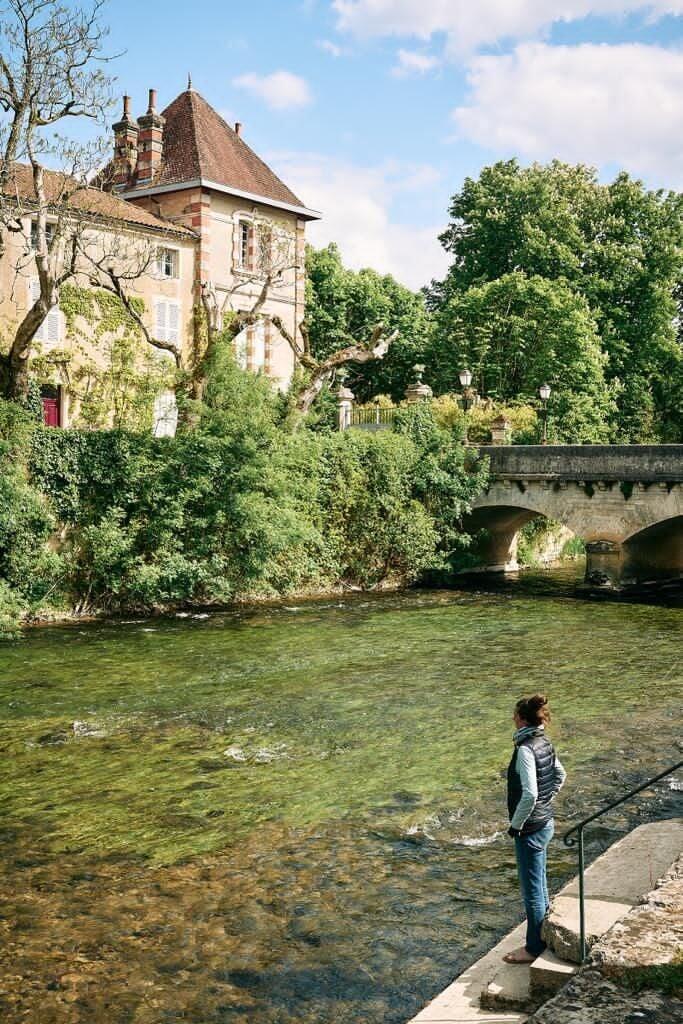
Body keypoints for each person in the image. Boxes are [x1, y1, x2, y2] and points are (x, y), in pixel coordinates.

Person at [503, 693, 566, 965]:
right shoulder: (544, 741)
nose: (512, 719)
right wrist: (546, 801)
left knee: (532, 893)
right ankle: (542, 934)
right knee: (539, 885)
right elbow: (561, 775)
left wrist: (515, 825)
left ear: (521, 719)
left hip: (530, 829)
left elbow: (529, 793)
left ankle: (532, 948)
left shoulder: (526, 749)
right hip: (546, 822)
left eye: (514, 715)